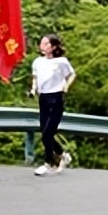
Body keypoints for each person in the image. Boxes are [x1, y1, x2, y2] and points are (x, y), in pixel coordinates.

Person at [30, 34, 76, 176]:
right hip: (43, 97)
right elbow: (35, 77)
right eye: (42, 43)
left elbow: (72, 74)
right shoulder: (38, 61)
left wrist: (66, 86)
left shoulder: (61, 61)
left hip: (56, 97)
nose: (42, 45)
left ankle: (48, 162)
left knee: (47, 133)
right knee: (45, 131)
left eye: (46, 43)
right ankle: (62, 154)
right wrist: (33, 89)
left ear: (53, 47)